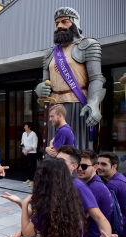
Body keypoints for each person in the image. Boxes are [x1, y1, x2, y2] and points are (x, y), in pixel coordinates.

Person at [2, 145, 117, 237]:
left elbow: (98, 217)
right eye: (56, 160)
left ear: (73, 166)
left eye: (61, 161)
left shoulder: (78, 186)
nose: (56, 163)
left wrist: (107, 236)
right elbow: (39, 215)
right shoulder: (56, 183)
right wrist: (21, 203)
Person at [35, 7, 106, 151]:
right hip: (55, 107)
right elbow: (43, 82)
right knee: (54, 148)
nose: (59, 26)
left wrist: (93, 103)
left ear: (75, 24)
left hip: (78, 104)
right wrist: (40, 89)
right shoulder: (49, 53)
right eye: (57, 23)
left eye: (64, 22)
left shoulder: (88, 45)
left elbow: (96, 78)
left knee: (76, 149)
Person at [0, 159, 87, 237]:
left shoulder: (49, 206)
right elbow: (36, 221)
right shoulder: (70, 201)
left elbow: (27, 232)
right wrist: (19, 202)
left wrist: (24, 203)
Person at [78, 149, 114, 237]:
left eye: (84, 166)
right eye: (78, 165)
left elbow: (79, 218)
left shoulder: (93, 189)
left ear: (95, 167)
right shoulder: (95, 183)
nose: (79, 169)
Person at [97, 152, 126, 237]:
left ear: (114, 166)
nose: (99, 167)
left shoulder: (112, 185)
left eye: (104, 164)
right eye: (97, 163)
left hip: (120, 231)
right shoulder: (121, 178)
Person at [20, 122, 38, 186]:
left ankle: (33, 180)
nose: (24, 127)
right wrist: (22, 145)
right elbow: (22, 141)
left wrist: (27, 151)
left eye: (26, 126)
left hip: (31, 153)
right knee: (27, 166)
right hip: (25, 152)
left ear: (29, 127)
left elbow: (34, 145)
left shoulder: (33, 134)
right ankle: (29, 179)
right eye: (24, 126)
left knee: (31, 166)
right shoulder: (24, 133)